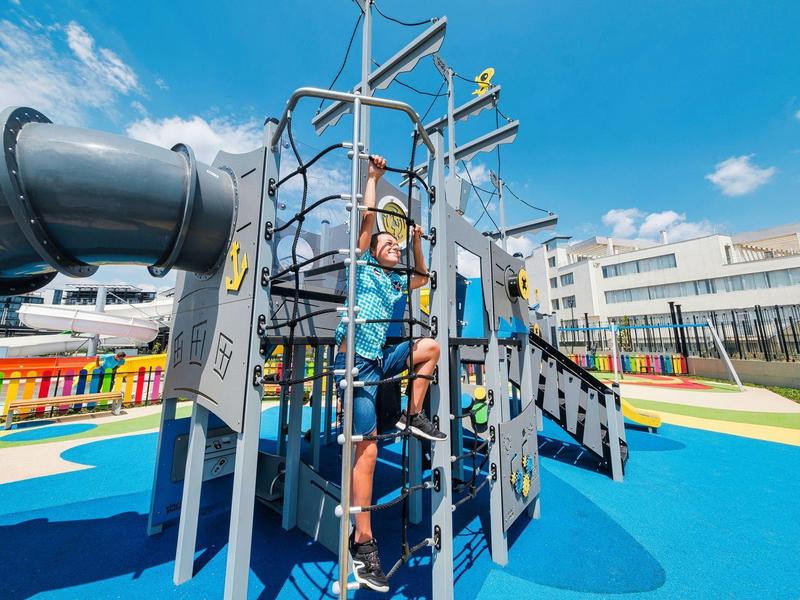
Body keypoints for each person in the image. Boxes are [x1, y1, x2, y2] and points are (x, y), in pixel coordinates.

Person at [333, 155, 446, 593]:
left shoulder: (394, 280)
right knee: (368, 452)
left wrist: (415, 242)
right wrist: (373, 179)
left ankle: (412, 413)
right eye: (389, 246)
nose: (393, 249)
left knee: (430, 348)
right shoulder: (361, 266)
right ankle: (362, 541)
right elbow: (367, 221)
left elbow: (420, 277)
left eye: (394, 248)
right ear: (373, 250)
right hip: (355, 364)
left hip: (379, 358)